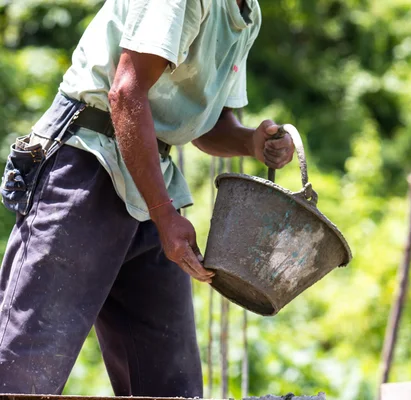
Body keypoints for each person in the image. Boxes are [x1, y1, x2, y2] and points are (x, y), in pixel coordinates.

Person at [0, 0, 294, 396]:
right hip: (88, 158)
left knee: (170, 388)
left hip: (151, 176)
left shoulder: (247, 12)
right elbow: (125, 92)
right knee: (24, 369)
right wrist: (163, 213)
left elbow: (206, 124)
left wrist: (251, 143)